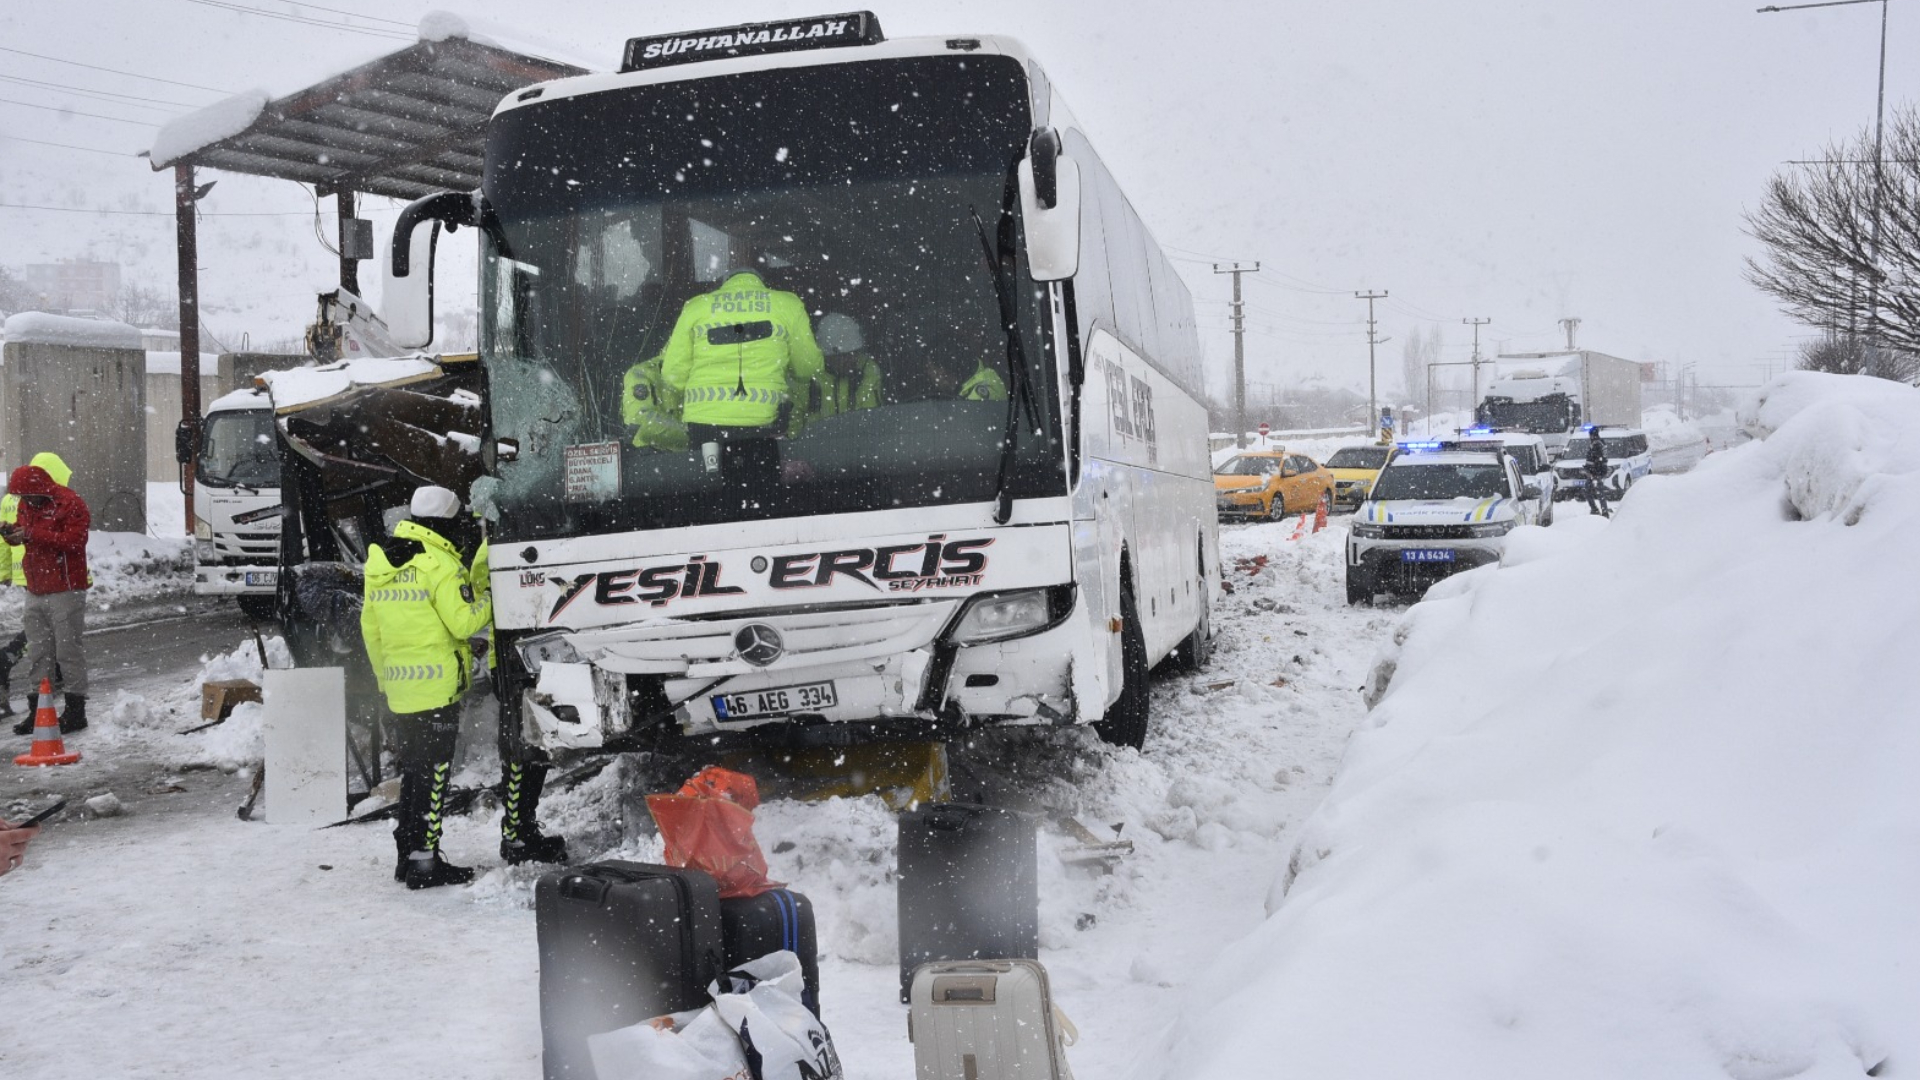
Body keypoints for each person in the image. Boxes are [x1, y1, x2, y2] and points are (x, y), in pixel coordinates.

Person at [360, 486, 493, 890]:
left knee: (415, 773)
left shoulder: (382, 562)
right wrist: (490, 596)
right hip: (436, 689)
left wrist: (385, 679)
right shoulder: (440, 564)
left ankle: (408, 854)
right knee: (434, 775)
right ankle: (425, 863)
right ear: (446, 523)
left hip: (401, 690)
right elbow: (465, 623)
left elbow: (372, 630)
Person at [661, 267, 824, 497]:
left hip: (706, 427)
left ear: (725, 284)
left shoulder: (696, 307)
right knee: (763, 496)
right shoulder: (786, 304)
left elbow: (673, 376)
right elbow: (807, 368)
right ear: (760, 282)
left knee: (711, 498)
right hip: (764, 425)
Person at [466, 534, 569, 866]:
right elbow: (491, 599)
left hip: (532, 648)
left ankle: (522, 830)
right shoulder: (494, 548)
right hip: (513, 656)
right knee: (521, 749)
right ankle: (516, 836)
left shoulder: (505, 543)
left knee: (533, 748)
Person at [2, 459, 90, 735]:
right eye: (21, 497)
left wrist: (30, 533)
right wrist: (12, 535)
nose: (25, 501)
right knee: (39, 653)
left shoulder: (70, 503)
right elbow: (26, 534)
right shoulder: (29, 505)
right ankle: (39, 711)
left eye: (28, 495)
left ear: (41, 488)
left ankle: (76, 712)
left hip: (65, 588)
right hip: (36, 587)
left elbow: (75, 541)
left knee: (67, 652)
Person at [789, 312, 882, 435]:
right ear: (825, 355)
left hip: (858, 448)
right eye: (844, 356)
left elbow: (873, 423)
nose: (851, 359)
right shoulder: (802, 376)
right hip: (813, 451)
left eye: (855, 353)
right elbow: (792, 429)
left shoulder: (867, 372)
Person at [621, 354, 688, 451]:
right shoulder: (641, 374)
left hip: (698, 455)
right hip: (649, 458)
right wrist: (694, 433)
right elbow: (641, 422)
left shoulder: (705, 375)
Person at [1583, 431, 1612, 517]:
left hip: (1596, 472)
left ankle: (1601, 511)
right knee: (1595, 491)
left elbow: (1596, 460)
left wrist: (1592, 471)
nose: (1589, 437)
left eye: (1590, 435)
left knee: (1595, 491)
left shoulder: (1597, 444)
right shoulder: (1599, 443)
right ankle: (1600, 510)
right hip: (1596, 472)